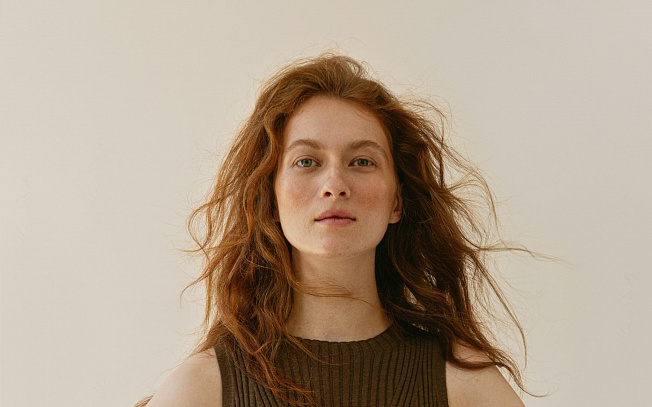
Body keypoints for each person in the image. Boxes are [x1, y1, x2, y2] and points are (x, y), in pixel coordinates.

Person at [137, 54, 528, 407]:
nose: (335, 185)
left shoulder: (466, 386)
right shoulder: (203, 388)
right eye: (307, 162)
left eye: (362, 162)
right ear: (270, 199)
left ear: (397, 201)